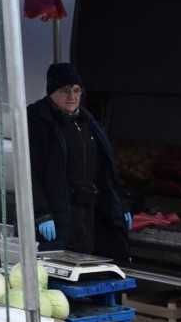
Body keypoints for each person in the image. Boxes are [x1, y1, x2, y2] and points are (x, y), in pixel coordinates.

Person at [26, 62, 131, 261]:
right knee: (56, 269)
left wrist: (121, 205)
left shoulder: (85, 121)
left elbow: (106, 170)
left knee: (83, 263)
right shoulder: (38, 120)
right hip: (56, 211)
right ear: (51, 93)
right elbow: (30, 172)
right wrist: (42, 214)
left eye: (76, 90)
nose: (72, 96)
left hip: (84, 211)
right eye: (65, 91)